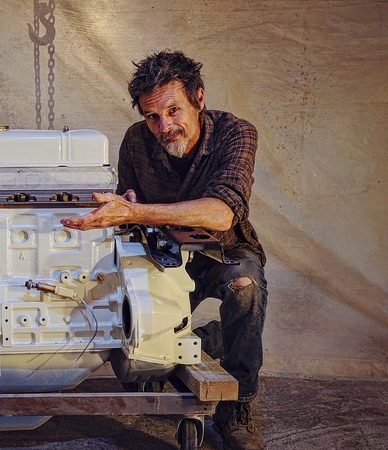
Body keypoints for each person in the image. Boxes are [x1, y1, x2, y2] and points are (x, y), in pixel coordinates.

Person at [61, 50, 267, 450]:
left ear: (199, 98)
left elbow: (223, 213)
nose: (164, 126)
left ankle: (238, 408)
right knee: (141, 362)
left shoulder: (237, 133)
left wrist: (138, 209)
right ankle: (213, 339)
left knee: (245, 289)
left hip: (224, 250)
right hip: (162, 251)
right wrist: (126, 206)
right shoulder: (136, 140)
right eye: (153, 116)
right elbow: (128, 202)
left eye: (174, 111)